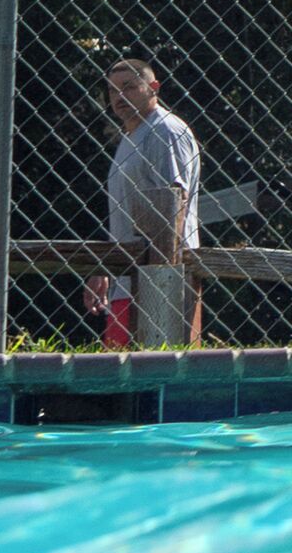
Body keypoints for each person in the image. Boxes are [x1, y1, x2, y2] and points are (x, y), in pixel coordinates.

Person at [87, 51, 204, 348]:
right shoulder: (130, 138)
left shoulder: (165, 130)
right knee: (121, 370)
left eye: (129, 87)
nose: (118, 96)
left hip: (164, 279)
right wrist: (108, 265)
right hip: (129, 278)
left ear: (154, 88)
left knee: (157, 370)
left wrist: (161, 278)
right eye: (112, 90)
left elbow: (172, 204)